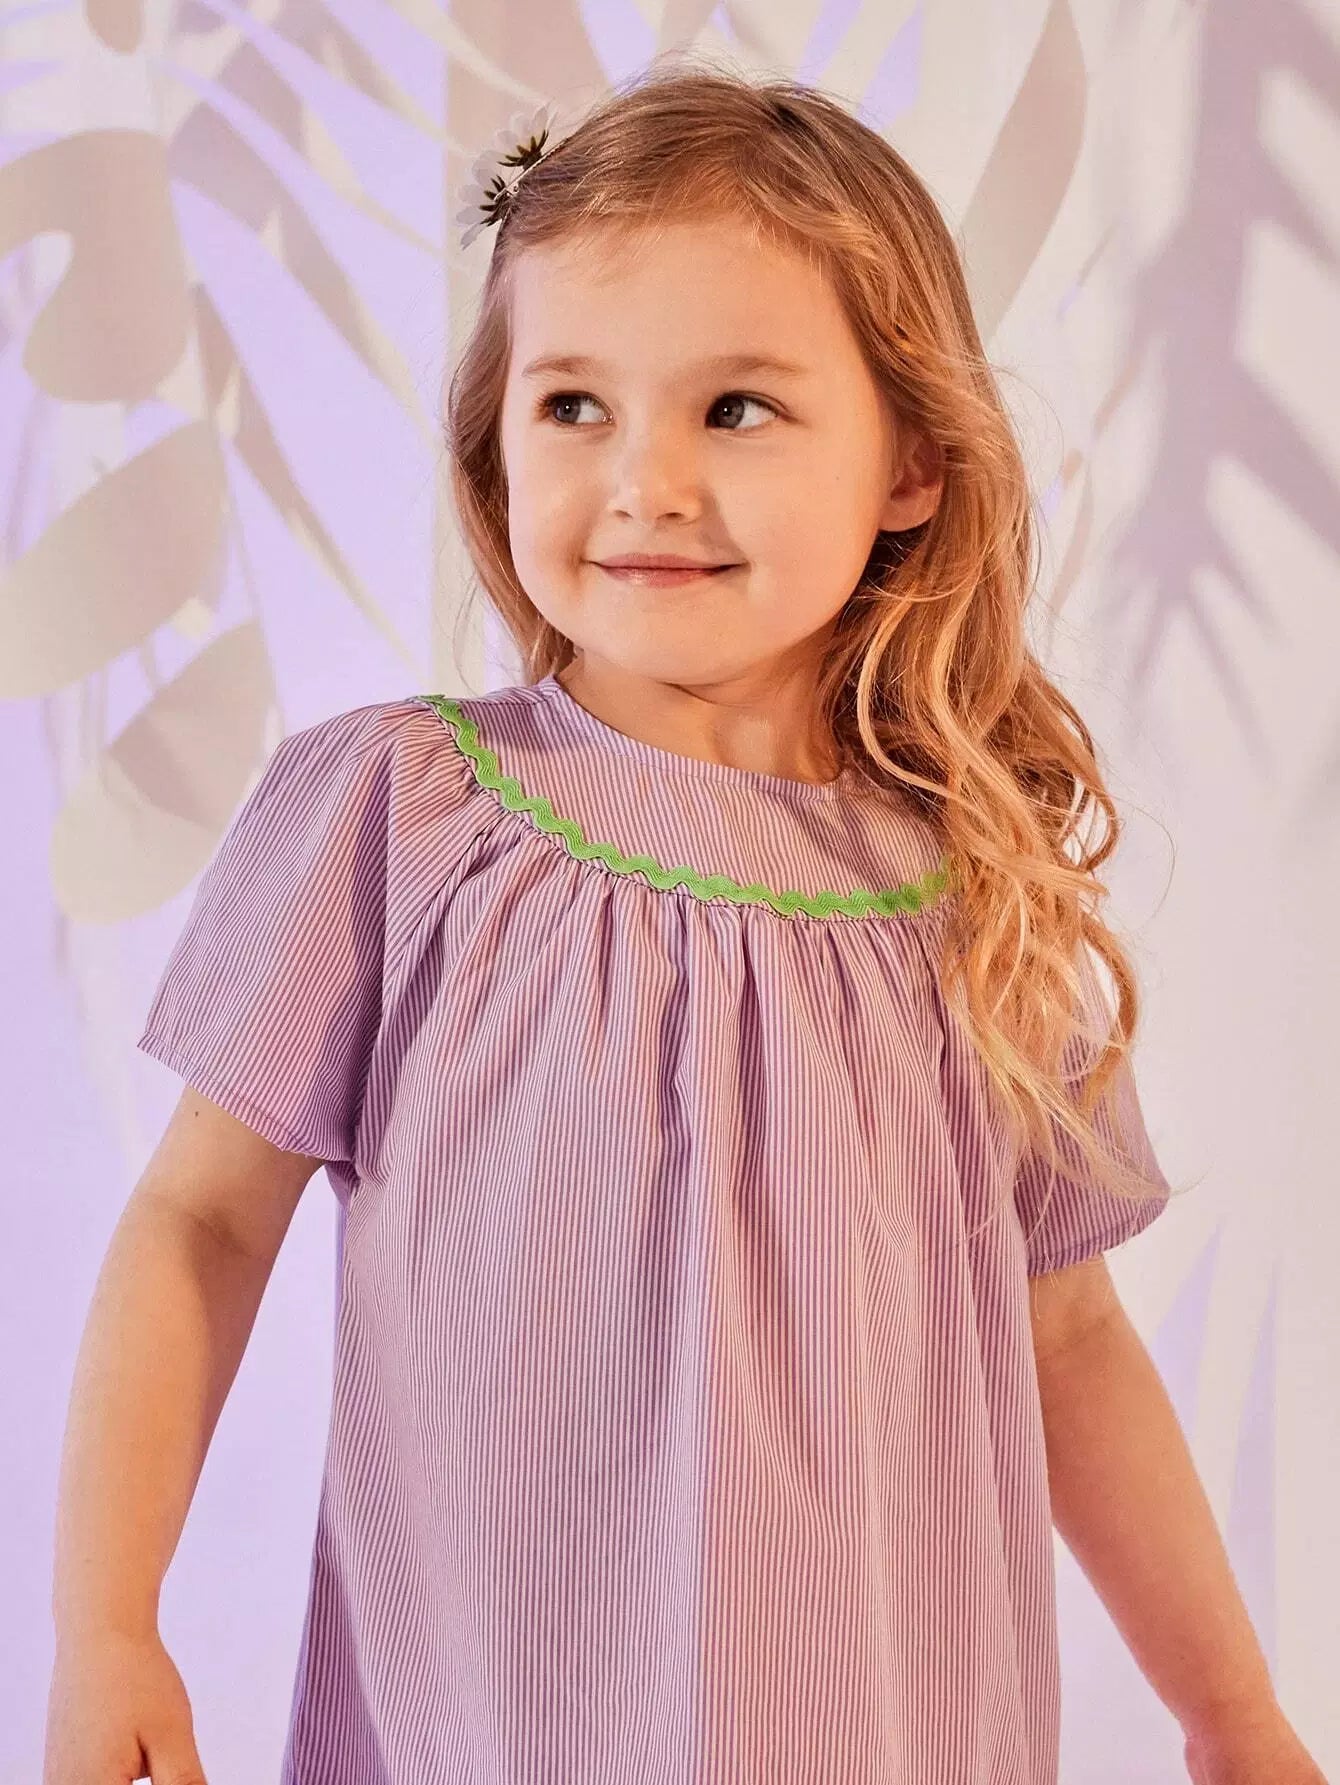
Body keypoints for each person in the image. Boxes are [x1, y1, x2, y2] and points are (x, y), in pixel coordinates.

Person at [47, 52, 1313, 1785]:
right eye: (575, 403)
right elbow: (200, 1221)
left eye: (737, 409)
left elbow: (1072, 1340)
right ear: (496, 439)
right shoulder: (402, 819)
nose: (644, 479)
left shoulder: (977, 907)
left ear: (913, 462)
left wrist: (1231, 1711)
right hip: (492, 1734)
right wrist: (108, 1623)